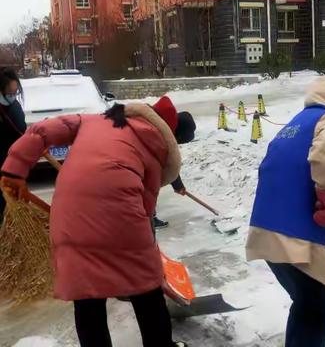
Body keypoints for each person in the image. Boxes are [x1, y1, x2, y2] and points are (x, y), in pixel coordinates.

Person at [1, 100, 195, 347]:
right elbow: (146, 207)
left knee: (87, 298)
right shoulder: (154, 145)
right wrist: (147, 252)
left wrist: (14, 171)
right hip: (122, 221)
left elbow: (41, 130)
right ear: (166, 131)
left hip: (69, 217)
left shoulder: (90, 120)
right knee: (146, 291)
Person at [246, 76, 325, 347]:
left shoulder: (296, 124)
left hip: (267, 231)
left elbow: (293, 186)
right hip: (294, 239)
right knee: (316, 315)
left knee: (306, 306)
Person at [150, 96, 195, 230]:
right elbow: (166, 162)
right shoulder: (159, 134)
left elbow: (167, 162)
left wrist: (177, 185)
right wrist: (178, 185)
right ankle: (147, 218)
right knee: (150, 180)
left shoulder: (159, 120)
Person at [0, 67, 26, 225]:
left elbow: (21, 133)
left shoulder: (15, 108)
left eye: (15, 93)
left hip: (11, 168)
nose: (13, 97)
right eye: (9, 93)